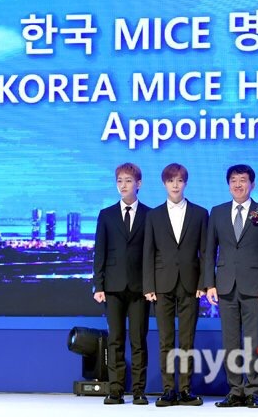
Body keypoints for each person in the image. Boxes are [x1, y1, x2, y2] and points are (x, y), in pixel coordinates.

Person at [205, 164, 258, 408]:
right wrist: (209, 284)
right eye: (234, 180)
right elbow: (209, 252)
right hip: (225, 286)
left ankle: (252, 391)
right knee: (230, 341)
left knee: (252, 341)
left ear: (252, 184)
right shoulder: (217, 212)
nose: (238, 184)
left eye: (243, 180)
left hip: (255, 287)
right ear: (228, 185)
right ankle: (235, 390)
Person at [143, 163, 208, 407]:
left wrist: (203, 283)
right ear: (164, 184)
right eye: (171, 181)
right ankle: (169, 390)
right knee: (166, 340)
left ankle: (185, 390)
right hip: (162, 284)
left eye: (179, 180)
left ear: (185, 183)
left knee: (187, 340)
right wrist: (149, 285)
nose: (175, 185)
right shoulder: (153, 215)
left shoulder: (200, 213)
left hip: (191, 284)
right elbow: (148, 253)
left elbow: (205, 252)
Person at [93, 162, 151, 405]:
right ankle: (115, 390)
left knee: (138, 340)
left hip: (140, 288)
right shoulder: (106, 215)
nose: (123, 185)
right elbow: (100, 252)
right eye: (120, 181)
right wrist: (98, 285)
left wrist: (151, 286)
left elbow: (152, 253)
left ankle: (138, 391)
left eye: (128, 180)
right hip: (113, 286)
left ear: (139, 184)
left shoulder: (150, 214)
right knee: (115, 339)